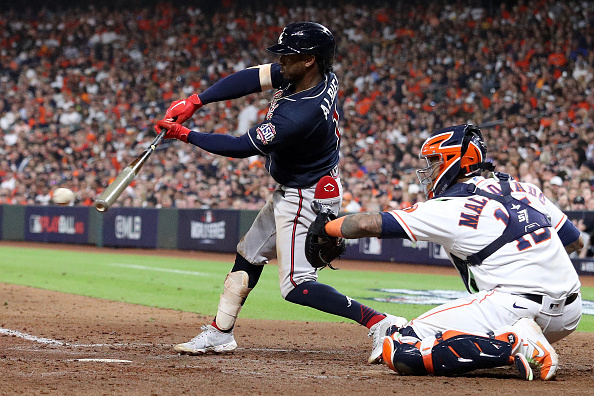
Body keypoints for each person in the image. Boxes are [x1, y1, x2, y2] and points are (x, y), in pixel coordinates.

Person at [156, 22, 405, 363]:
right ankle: (220, 331)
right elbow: (253, 77)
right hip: (299, 186)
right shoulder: (312, 75)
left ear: (310, 61)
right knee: (249, 253)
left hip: (306, 195)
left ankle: (383, 323)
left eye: (288, 56)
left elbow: (242, 146)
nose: (280, 62)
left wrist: (186, 134)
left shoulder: (300, 113)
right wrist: (196, 100)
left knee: (297, 285)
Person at [311, 124, 583, 380]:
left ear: (455, 161)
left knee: (400, 345)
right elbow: (574, 241)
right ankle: (515, 339)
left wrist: (327, 227)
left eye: (434, 161)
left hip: (514, 306)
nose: (428, 171)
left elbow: (367, 223)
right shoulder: (524, 188)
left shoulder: (449, 207)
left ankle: (514, 345)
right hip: (570, 314)